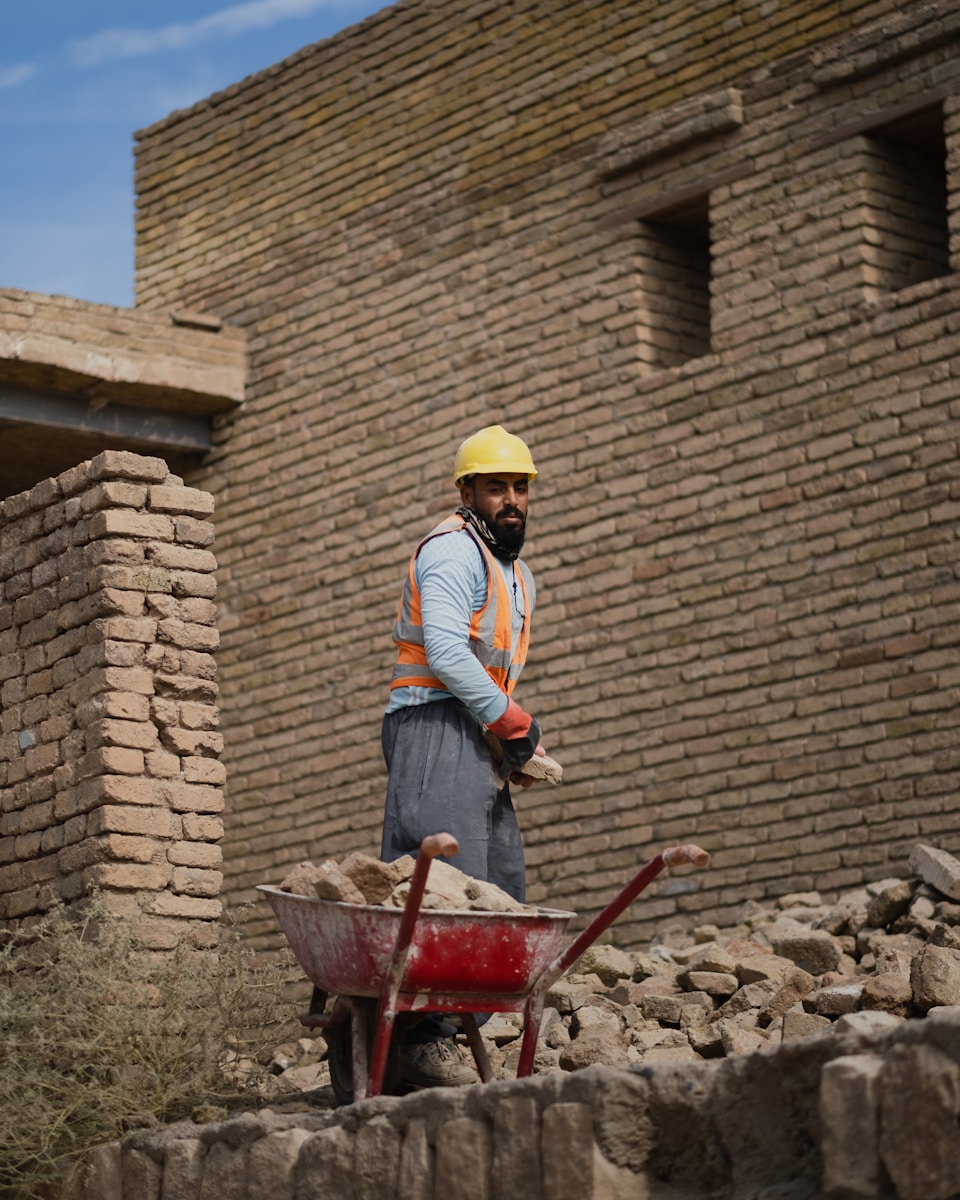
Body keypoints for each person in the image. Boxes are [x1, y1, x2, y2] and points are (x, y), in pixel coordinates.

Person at [380, 424, 546, 1088]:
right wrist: (509, 721)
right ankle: (417, 1040)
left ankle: (459, 1027)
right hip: (431, 725)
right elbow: (447, 655)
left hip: (473, 734)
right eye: (496, 487)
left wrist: (511, 747)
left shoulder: (513, 570)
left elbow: (489, 670)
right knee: (450, 886)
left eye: (520, 488)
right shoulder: (452, 552)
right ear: (468, 491)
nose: (511, 499)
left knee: (500, 886)